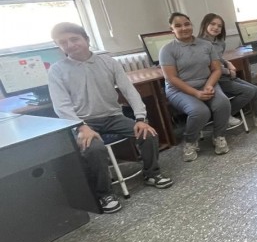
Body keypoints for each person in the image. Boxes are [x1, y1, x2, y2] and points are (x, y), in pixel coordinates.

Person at [47, 22, 173, 213]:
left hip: (113, 116)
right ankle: (104, 193)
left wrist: (141, 119)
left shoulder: (108, 62)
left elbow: (129, 90)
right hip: (83, 123)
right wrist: (81, 127)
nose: (70, 45)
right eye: (63, 42)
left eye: (74, 39)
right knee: (94, 148)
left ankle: (151, 174)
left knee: (148, 134)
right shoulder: (57, 70)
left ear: (86, 39)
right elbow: (61, 105)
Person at [160, 12, 236, 161]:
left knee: (222, 103)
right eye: (178, 26)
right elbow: (171, 78)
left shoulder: (206, 45)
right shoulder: (167, 50)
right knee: (200, 111)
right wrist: (196, 93)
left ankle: (219, 136)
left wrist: (209, 86)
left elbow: (216, 69)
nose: (184, 28)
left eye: (187, 24)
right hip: (179, 89)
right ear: (172, 29)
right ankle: (190, 142)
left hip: (206, 83)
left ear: (192, 25)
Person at [198, 13, 257, 128]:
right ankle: (225, 114)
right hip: (215, 79)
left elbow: (218, 58)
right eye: (213, 24)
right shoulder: (200, 44)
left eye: (219, 26)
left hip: (225, 75)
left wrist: (228, 63)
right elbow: (209, 66)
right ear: (205, 24)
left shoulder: (220, 42)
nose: (216, 28)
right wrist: (228, 71)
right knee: (249, 91)